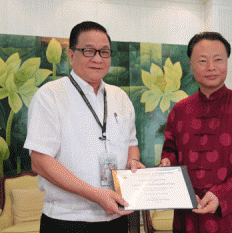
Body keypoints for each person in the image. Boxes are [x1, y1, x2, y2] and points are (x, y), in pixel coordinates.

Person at [24, 21, 145, 232]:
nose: (98, 59)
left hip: (117, 216)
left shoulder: (120, 97)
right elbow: (40, 162)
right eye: (89, 51)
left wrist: (133, 161)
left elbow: (131, 144)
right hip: (68, 219)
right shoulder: (50, 95)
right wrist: (95, 194)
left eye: (104, 52)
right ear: (71, 55)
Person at [160, 32, 232, 232]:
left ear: (226, 62)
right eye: (202, 60)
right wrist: (167, 164)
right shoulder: (179, 111)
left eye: (218, 60)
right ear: (191, 65)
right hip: (188, 214)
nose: (211, 67)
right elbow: (170, 151)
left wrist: (221, 195)